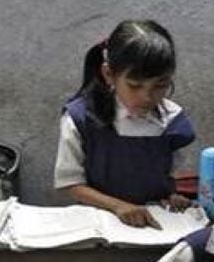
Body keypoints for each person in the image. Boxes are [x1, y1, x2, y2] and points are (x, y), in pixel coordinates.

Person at [54, 19, 196, 228]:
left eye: (161, 85)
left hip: (155, 225)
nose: (147, 97)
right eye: (135, 86)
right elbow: (70, 184)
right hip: (100, 225)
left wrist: (172, 196)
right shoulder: (81, 118)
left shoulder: (172, 120)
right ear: (109, 75)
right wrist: (119, 206)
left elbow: (168, 177)